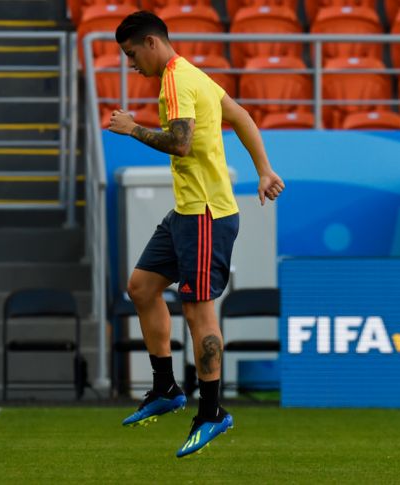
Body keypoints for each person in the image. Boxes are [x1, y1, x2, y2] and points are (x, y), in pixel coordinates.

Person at [109, 11, 285, 457]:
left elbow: (180, 143)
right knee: (142, 287)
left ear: (151, 43)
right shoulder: (194, 74)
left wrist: (133, 130)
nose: (132, 65)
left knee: (198, 315)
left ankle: (212, 413)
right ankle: (166, 387)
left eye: (132, 55)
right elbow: (241, 114)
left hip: (205, 216)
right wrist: (264, 171)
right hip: (187, 213)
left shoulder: (175, 80)